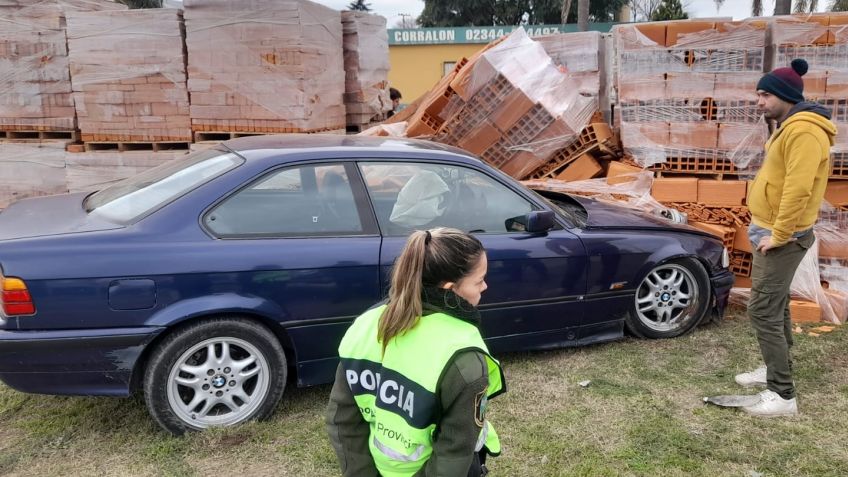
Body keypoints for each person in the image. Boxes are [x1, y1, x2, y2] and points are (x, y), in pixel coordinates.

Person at [326, 228, 505, 476]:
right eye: (479, 280)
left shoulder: (364, 327)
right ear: (451, 289)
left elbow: (342, 420)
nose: (485, 286)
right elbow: (454, 452)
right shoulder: (463, 355)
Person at [735, 58, 836, 417]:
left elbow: (798, 189)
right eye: (758, 94)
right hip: (769, 228)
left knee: (762, 309)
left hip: (781, 236)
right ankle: (774, 368)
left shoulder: (804, 131)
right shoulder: (791, 126)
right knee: (774, 305)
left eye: (765, 95)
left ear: (785, 95)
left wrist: (779, 235)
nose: (759, 101)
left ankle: (782, 394)